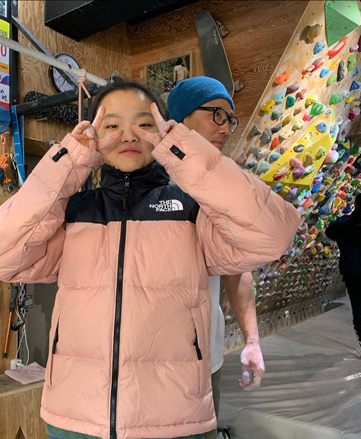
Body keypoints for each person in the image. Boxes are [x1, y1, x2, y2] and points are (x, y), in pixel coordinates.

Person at [0, 80, 300, 439]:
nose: (128, 135)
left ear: (166, 131)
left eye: (144, 124)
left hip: (174, 420)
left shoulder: (192, 211)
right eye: (111, 125)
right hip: (75, 418)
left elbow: (272, 233)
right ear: (93, 135)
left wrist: (181, 153)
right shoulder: (73, 212)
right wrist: (70, 162)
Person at [167, 77, 265, 436]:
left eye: (230, 119)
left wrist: (252, 340)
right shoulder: (143, 180)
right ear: (180, 119)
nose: (226, 128)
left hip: (206, 355)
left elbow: (237, 271)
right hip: (147, 358)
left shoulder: (224, 185)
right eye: (217, 115)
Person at [325, 193, 361, 347]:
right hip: (353, 271)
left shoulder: (343, 224)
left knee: (358, 307)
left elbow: (330, 232)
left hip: (353, 272)